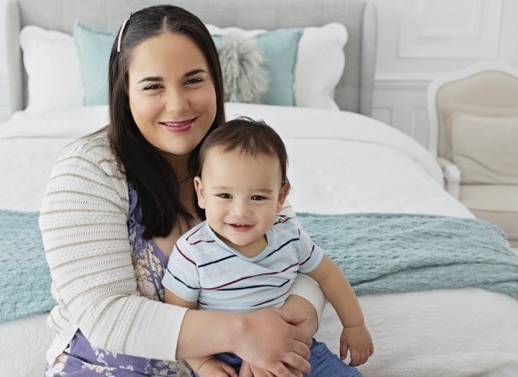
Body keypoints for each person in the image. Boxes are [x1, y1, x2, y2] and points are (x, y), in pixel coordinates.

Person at [39, 5, 327, 377]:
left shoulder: (238, 159)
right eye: (153, 86)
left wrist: (285, 334)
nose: (177, 105)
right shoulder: (88, 171)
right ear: (125, 93)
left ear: (216, 83)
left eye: (193, 81)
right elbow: (104, 314)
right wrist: (244, 332)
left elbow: (300, 265)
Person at [162, 117, 374, 377]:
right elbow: (178, 319)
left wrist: (354, 324)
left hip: (291, 346)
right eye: (225, 195)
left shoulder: (289, 237)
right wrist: (202, 364)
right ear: (202, 192)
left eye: (258, 197)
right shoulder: (193, 252)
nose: (240, 212)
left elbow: (328, 274)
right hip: (225, 357)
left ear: (280, 197)